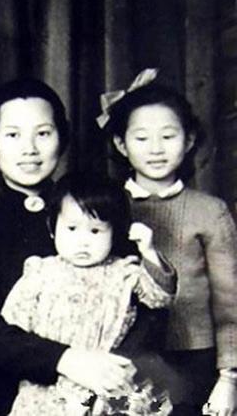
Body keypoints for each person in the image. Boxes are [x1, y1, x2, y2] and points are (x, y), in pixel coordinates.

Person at [0, 78, 160, 415]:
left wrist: (114, 370)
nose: (29, 149)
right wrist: (67, 360)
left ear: (63, 138)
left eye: (43, 133)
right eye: (12, 135)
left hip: (110, 392)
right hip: (9, 398)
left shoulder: (98, 208)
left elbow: (145, 305)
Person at [103, 76, 237, 415]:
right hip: (122, 357)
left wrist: (229, 379)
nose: (156, 149)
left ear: (189, 140)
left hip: (195, 360)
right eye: (141, 138)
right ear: (121, 144)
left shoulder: (211, 211)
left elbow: (230, 302)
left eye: (168, 136)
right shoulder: (105, 207)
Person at [1, 173, 175, 415]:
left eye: (95, 231)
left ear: (114, 233)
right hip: (48, 384)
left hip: (107, 380)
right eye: (71, 229)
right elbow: (12, 328)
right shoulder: (40, 272)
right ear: (52, 228)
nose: (83, 241)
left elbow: (160, 297)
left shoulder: (124, 272)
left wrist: (149, 251)